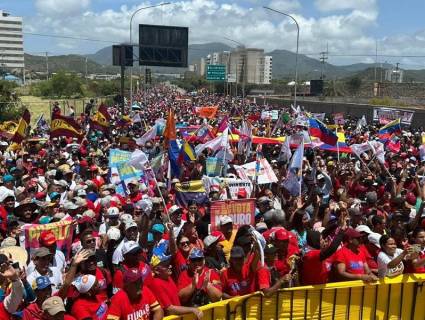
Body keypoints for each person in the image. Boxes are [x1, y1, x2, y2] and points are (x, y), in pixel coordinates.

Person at [148, 254, 203, 319]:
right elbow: (169, 309)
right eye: (166, 265)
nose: (170, 266)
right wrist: (192, 310)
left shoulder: (168, 277)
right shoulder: (156, 283)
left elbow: (178, 297)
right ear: (156, 270)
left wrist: (193, 286)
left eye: (169, 263)